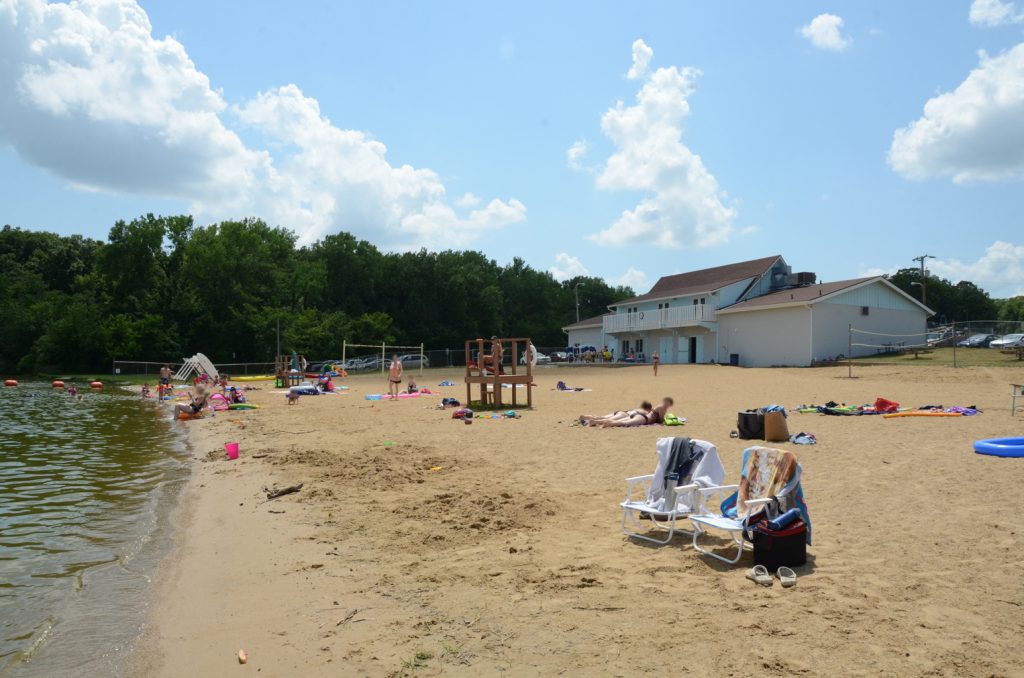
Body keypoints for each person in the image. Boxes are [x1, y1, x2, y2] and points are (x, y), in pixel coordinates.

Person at [579, 401, 654, 428]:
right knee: (609, 420)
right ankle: (594, 422)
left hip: (622, 412)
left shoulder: (637, 409)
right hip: (624, 415)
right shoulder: (647, 412)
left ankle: (588, 417)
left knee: (601, 417)